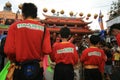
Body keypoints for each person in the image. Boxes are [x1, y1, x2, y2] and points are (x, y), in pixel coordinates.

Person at [4, 3, 52, 80]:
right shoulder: (44, 29)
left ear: (23, 14)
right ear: (35, 14)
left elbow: (9, 50)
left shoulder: (14, 27)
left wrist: (13, 59)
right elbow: (47, 50)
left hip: (20, 69)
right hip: (36, 70)